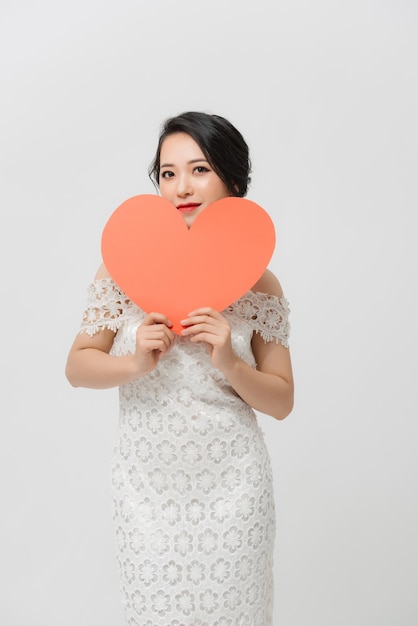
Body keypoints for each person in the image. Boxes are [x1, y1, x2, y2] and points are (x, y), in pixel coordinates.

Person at [65, 111, 294, 625]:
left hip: (235, 490)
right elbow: (77, 367)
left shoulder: (261, 283)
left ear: (233, 180)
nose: (181, 186)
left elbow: (282, 400)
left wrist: (231, 362)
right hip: (146, 490)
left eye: (200, 169)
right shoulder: (123, 265)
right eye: (168, 172)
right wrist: (133, 362)